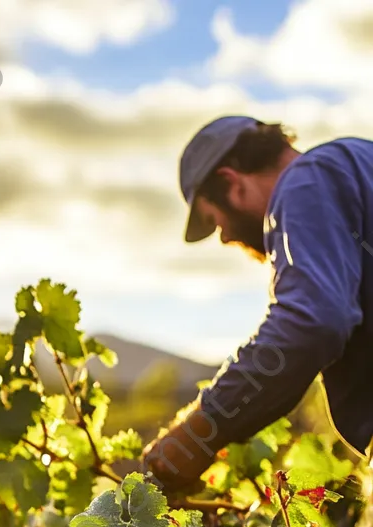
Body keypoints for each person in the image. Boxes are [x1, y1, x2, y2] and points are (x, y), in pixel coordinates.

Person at [143, 116, 373, 492]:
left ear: (231, 183)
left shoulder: (306, 181)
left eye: (214, 222)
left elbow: (312, 324)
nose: (225, 237)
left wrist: (200, 430)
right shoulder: (359, 164)